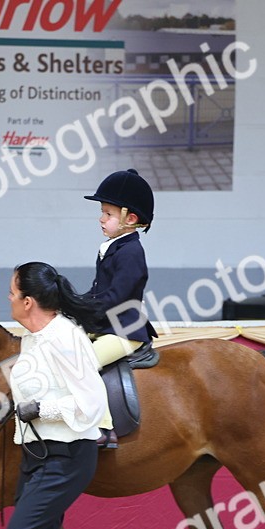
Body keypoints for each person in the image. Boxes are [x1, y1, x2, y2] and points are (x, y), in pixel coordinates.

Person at [6, 261, 110, 529]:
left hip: (67, 454)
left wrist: (41, 410)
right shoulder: (33, 338)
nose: (9, 298)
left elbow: (91, 400)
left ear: (28, 301)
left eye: (13, 293)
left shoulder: (64, 337)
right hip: (37, 454)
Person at [83, 168, 158, 448]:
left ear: (131, 219)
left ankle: (104, 427)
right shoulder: (112, 247)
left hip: (125, 331)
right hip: (106, 326)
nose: (101, 219)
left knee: (83, 362)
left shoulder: (131, 251)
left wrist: (85, 311)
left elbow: (116, 296)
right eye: (102, 212)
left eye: (109, 214)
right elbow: (97, 291)